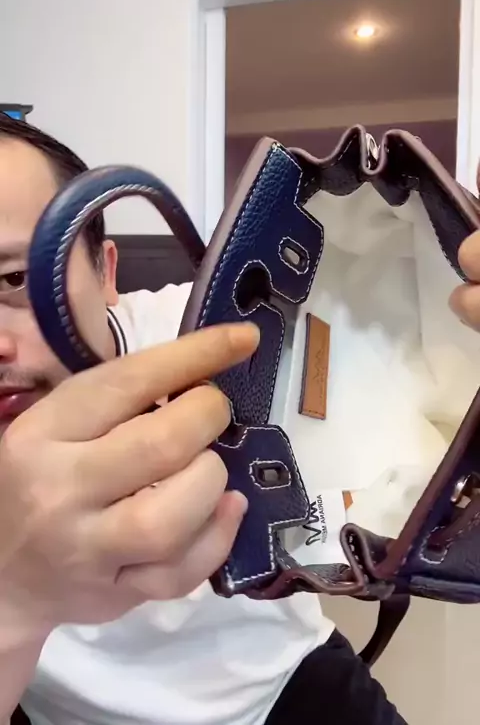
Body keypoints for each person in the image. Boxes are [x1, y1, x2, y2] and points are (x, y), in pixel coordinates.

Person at [0, 113, 476, 725]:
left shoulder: (219, 325)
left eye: (14, 278)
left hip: (287, 678)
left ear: (106, 270)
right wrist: (15, 604)